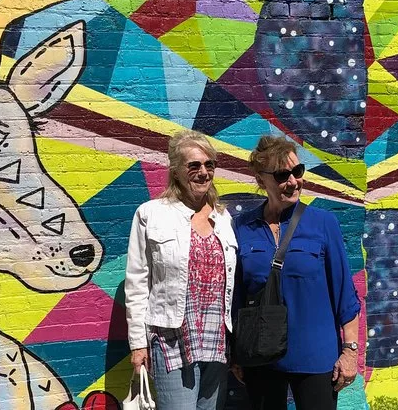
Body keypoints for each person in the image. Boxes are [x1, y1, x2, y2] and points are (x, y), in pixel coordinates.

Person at [232, 135, 360, 410]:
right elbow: (237, 295)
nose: (293, 181)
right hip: (261, 356)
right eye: (282, 175)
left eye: (298, 171)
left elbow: (345, 295)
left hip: (316, 356)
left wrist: (350, 351)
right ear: (260, 179)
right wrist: (236, 351)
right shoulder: (242, 227)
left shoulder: (323, 223)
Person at [125, 130, 237, 410]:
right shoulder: (151, 214)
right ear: (175, 170)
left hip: (217, 341)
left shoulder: (223, 217)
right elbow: (137, 283)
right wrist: (138, 344)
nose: (203, 172)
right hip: (172, 340)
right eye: (194, 165)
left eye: (209, 164)